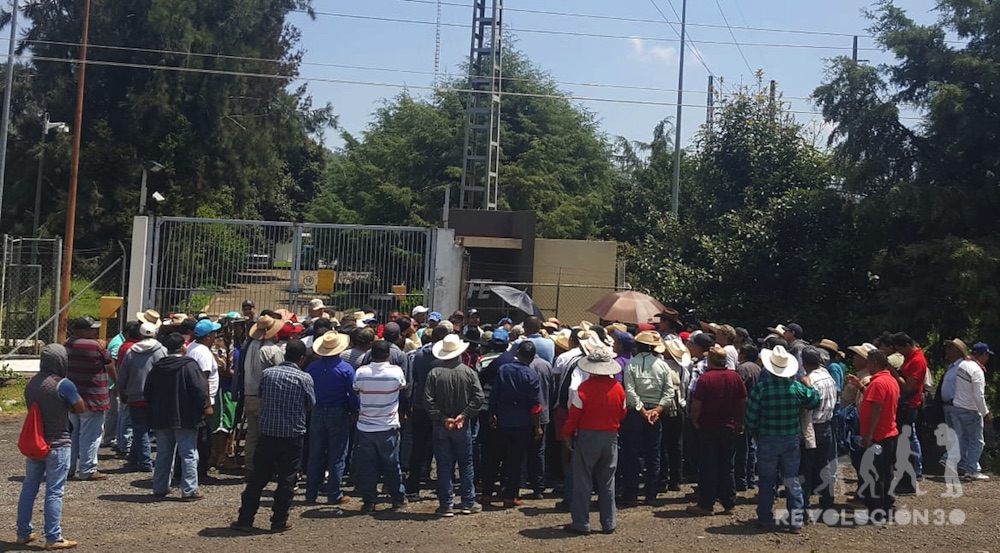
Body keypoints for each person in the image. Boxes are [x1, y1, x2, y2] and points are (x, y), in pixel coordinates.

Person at [231, 340, 315, 533]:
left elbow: (261, 394)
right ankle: (278, 521)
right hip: (293, 434)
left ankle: (245, 519)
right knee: (287, 479)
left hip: (268, 433)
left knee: (258, 477)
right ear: (302, 359)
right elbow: (310, 403)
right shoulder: (305, 378)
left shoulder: (268, 374)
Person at [746, 345, 820, 534]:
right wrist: (808, 384)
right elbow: (814, 401)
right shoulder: (796, 388)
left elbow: (751, 418)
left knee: (766, 481)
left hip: (767, 439)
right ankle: (795, 520)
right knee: (792, 479)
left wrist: (754, 432)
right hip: (791, 439)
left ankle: (765, 518)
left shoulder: (760, 390)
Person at [16, 345, 84, 550]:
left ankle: (23, 532)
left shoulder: (32, 384)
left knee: (29, 487)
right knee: (54, 491)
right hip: (58, 443)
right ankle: (53, 537)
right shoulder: (64, 384)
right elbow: (80, 408)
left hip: (36, 442)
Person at [561, 345, 626, 536]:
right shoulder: (618, 388)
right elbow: (622, 413)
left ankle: (582, 523)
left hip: (588, 436)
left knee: (583, 481)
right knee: (607, 481)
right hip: (611, 436)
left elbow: (574, 416)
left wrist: (567, 434)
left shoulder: (584, 389)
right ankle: (609, 522)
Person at [144, 333, 212, 500]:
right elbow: (199, 389)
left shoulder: (158, 367)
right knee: (188, 453)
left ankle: (159, 487)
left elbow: (147, 391)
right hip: (185, 417)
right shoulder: (189, 366)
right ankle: (189, 490)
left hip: (161, 417)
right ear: (183, 347)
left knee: (163, 453)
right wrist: (205, 407)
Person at [425, 334, 485, 516]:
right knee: (466, 463)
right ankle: (468, 501)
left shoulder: (434, 373)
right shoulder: (468, 372)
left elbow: (428, 401)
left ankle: (446, 504)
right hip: (461, 425)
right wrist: (464, 415)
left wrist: (443, 418)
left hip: (442, 425)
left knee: (444, 464)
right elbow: (479, 398)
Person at [686, 346, 747, 516]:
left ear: (710, 361)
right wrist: (741, 422)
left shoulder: (706, 379)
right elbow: (743, 401)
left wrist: (695, 421)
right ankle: (729, 503)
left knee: (708, 466)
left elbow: (697, 404)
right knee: (727, 465)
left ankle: (706, 503)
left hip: (709, 427)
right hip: (729, 426)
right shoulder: (735, 377)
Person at [353, 340, 408, 514]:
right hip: (387, 424)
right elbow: (402, 387)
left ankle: (369, 501)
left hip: (366, 425)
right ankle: (397, 498)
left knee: (368, 465)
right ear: (388, 355)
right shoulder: (396, 372)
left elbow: (356, 389)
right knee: (392, 463)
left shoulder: (361, 372)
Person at [621, 330, 674, 506]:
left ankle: (632, 494)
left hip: (636, 413)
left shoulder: (631, 364)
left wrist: (641, 410)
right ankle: (651, 494)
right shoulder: (663, 365)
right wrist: (658, 410)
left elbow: (630, 391)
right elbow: (669, 391)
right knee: (654, 454)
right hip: (655, 413)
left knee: (633, 453)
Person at [488, 340, 543, 507]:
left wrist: (492, 413)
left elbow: (494, 394)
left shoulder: (504, 369)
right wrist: (538, 426)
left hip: (503, 420)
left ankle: (487, 492)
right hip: (522, 423)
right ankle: (510, 496)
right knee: (516, 460)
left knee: (495, 457)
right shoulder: (532, 375)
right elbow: (535, 405)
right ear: (532, 357)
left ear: (517, 353)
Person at [304, 330, 357, 505]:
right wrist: (353, 410)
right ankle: (334, 493)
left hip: (317, 411)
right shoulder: (346, 369)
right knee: (337, 454)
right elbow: (352, 394)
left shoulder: (312, 368)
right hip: (338, 412)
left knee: (316, 453)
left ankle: (311, 493)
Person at [851, 350, 900, 520]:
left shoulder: (878, 383)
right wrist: (860, 387)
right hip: (890, 433)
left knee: (875, 473)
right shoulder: (890, 381)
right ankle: (887, 504)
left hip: (879, 435)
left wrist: (869, 435)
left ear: (876, 363)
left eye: (869, 363)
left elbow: (877, 408)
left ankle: (876, 509)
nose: (868, 366)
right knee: (886, 471)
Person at [65, 316, 115, 481]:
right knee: (92, 434)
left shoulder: (66, 345)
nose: (94, 332)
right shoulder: (95, 347)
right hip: (94, 397)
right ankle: (87, 469)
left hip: (72, 397)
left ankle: (69, 468)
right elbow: (110, 363)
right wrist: (118, 383)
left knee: (73, 433)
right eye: (91, 329)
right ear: (82, 331)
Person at [406, 325, 450, 498]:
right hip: (442, 408)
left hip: (420, 405)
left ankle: (412, 488)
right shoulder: (448, 358)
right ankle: (442, 487)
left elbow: (415, 379)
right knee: (443, 449)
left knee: (418, 447)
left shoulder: (419, 355)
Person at [117, 322, 167, 472]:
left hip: (135, 395)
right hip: (155, 396)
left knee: (140, 429)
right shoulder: (161, 350)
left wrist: (122, 393)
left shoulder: (131, 351)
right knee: (152, 430)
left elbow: (122, 375)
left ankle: (140, 460)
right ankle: (143, 460)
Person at [941, 339, 991, 481]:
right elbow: (978, 395)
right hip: (970, 408)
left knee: (960, 438)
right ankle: (972, 470)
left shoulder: (961, 365)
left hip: (957, 406)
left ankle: (956, 462)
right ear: (983, 355)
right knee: (977, 441)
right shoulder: (977, 370)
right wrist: (985, 412)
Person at [241, 314, 284, 472]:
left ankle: (250, 465)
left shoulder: (250, 346)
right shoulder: (272, 350)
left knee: (252, 434)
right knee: (268, 435)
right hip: (265, 397)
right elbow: (282, 372)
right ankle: (265, 467)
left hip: (248, 394)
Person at [799, 346, 838, 515]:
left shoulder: (808, 380)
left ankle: (804, 506)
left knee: (805, 468)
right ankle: (827, 501)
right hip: (827, 425)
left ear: (803, 362)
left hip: (811, 427)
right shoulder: (828, 376)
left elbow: (805, 407)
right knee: (824, 465)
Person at [186, 318, 225, 478]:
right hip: (203, 401)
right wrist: (207, 404)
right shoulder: (203, 353)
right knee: (203, 437)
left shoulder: (192, 348)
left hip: (194, 399)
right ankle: (201, 470)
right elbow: (204, 379)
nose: (215, 336)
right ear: (208, 336)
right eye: (214, 333)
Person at [734, 343, 761, 491]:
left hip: (744, 412)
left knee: (742, 448)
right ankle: (750, 479)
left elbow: (738, 391)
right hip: (755, 412)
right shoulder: (758, 368)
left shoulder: (742, 369)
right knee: (751, 447)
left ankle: (741, 481)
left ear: (744, 354)